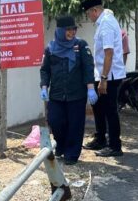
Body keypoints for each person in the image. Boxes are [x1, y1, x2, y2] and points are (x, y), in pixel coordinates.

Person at [40, 15, 98, 165]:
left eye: (73, 29)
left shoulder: (80, 45)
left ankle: (72, 154)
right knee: (56, 121)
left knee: (75, 125)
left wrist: (90, 88)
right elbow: (45, 70)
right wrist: (44, 86)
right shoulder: (51, 48)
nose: (72, 32)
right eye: (68, 30)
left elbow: (88, 67)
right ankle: (61, 145)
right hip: (57, 94)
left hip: (76, 94)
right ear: (60, 31)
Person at [81, 0, 126, 157]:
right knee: (98, 108)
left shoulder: (106, 23)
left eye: (88, 14)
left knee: (110, 111)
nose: (88, 17)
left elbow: (109, 53)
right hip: (101, 73)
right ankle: (100, 138)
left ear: (95, 10)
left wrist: (104, 79)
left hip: (110, 76)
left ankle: (114, 146)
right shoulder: (104, 21)